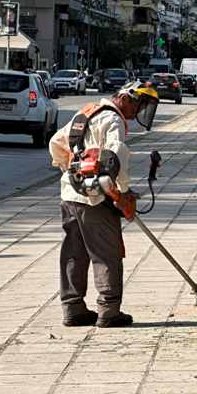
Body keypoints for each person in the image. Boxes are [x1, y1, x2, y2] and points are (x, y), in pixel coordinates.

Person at [48, 83, 160, 328]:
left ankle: (73, 308)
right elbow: (117, 153)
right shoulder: (113, 121)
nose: (138, 110)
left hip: (70, 194)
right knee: (106, 252)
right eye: (138, 104)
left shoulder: (86, 113)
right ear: (123, 97)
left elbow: (56, 142)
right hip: (96, 197)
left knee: (74, 253)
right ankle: (109, 311)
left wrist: (70, 172)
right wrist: (123, 190)